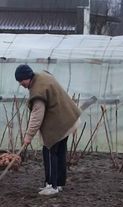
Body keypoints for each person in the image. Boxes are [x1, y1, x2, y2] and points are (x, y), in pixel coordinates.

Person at [15, 64, 81, 196]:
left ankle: (52, 185)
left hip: (60, 124)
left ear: (27, 77)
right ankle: (59, 183)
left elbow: (36, 117)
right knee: (60, 152)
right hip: (68, 119)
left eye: (21, 81)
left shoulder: (38, 91)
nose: (21, 84)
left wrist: (28, 136)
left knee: (49, 151)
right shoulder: (42, 76)